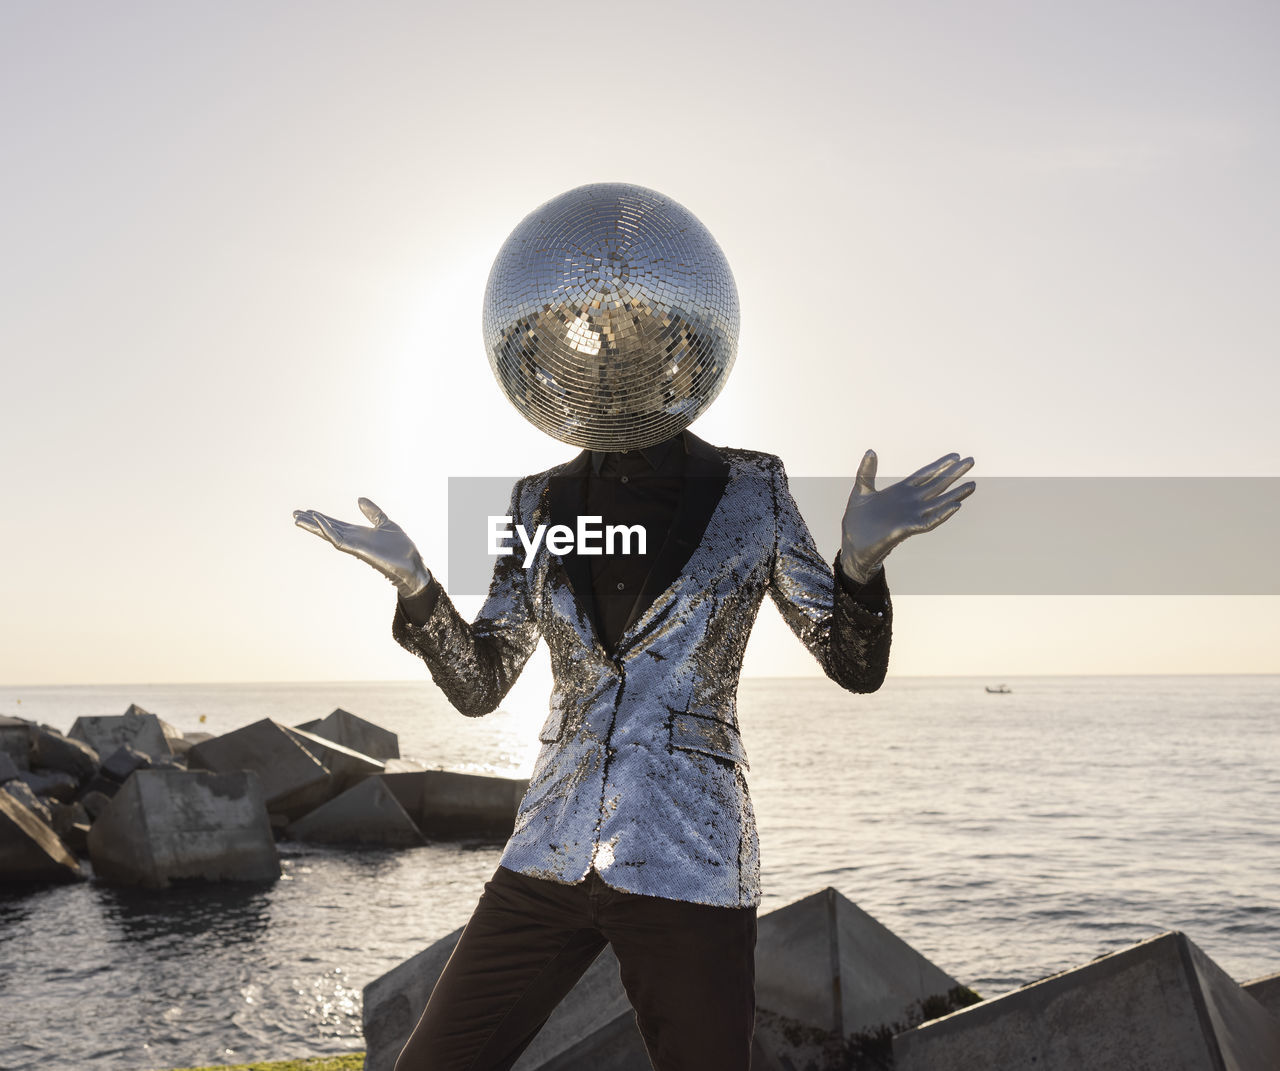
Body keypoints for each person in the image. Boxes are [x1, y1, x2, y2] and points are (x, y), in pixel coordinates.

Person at [293, 436, 971, 1070]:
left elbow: (852, 663)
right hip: (547, 851)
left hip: (690, 854)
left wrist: (858, 567)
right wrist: (417, 588)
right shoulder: (536, 499)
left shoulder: (753, 488)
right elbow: (481, 682)